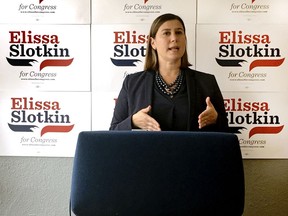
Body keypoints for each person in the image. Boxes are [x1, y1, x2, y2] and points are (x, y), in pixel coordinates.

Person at [109, 13, 229, 132]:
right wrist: (132, 121)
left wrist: (216, 119)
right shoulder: (132, 83)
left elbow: (226, 135)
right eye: (166, 33)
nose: (174, 38)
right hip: (147, 152)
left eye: (178, 32)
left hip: (193, 151)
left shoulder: (207, 83)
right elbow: (113, 131)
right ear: (153, 43)